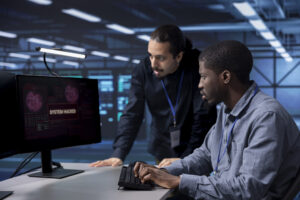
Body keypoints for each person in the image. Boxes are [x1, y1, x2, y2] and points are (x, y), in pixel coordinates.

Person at [133, 40, 300, 199]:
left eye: (204, 77)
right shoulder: (227, 110)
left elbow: (248, 189)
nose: (199, 84)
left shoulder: (267, 117)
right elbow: (205, 156)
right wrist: (162, 171)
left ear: (225, 77)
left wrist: (179, 181)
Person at [90, 24, 217, 167]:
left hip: (195, 145)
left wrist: (189, 157)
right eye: (150, 56)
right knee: (165, 187)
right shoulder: (143, 69)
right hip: (162, 146)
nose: (153, 64)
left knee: (191, 186)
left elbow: (203, 115)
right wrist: (119, 153)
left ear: (179, 56)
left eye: (160, 58)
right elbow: (132, 112)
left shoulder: (198, 66)